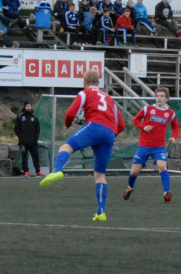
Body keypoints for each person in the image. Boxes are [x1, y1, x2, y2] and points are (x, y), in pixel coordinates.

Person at [40, 69, 126, 222]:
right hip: (110, 132)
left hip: (94, 126)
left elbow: (70, 113)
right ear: (98, 82)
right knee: (100, 175)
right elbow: (122, 125)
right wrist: (110, 136)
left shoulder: (84, 93)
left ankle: (57, 170)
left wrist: (68, 124)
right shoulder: (109, 99)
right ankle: (101, 212)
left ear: (84, 82)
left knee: (65, 147)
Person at [124, 87, 179, 203]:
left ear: (166, 99)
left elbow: (175, 127)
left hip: (159, 147)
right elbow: (135, 120)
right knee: (134, 172)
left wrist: (174, 136)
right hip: (144, 146)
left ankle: (167, 193)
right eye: (157, 96)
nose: (159, 98)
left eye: (162, 96)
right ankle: (130, 187)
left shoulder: (170, 113)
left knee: (162, 166)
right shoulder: (147, 109)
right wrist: (144, 127)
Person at [14, 101, 44, 177]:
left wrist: (35, 138)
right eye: (27, 106)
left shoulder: (34, 116)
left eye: (29, 106)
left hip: (33, 141)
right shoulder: (20, 116)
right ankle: (26, 171)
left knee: (36, 156)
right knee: (24, 156)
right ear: (24, 107)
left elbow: (37, 128)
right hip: (23, 141)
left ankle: (38, 171)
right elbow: (16, 128)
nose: (28, 107)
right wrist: (21, 137)